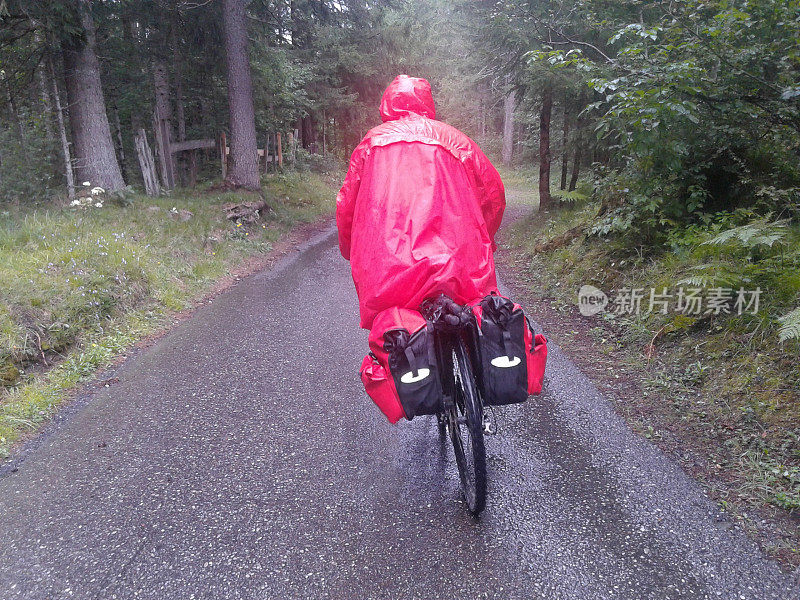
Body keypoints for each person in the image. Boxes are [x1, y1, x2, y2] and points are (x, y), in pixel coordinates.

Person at [336, 74, 507, 424]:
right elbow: (493, 195)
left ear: (387, 105)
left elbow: (347, 209)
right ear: (428, 104)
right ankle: (476, 378)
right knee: (467, 305)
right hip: (459, 259)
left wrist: (350, 250)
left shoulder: (371, 144)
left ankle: (424, 385)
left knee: (405, 318)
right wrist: (484, 238)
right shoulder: (453, 139)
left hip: (392, 266)